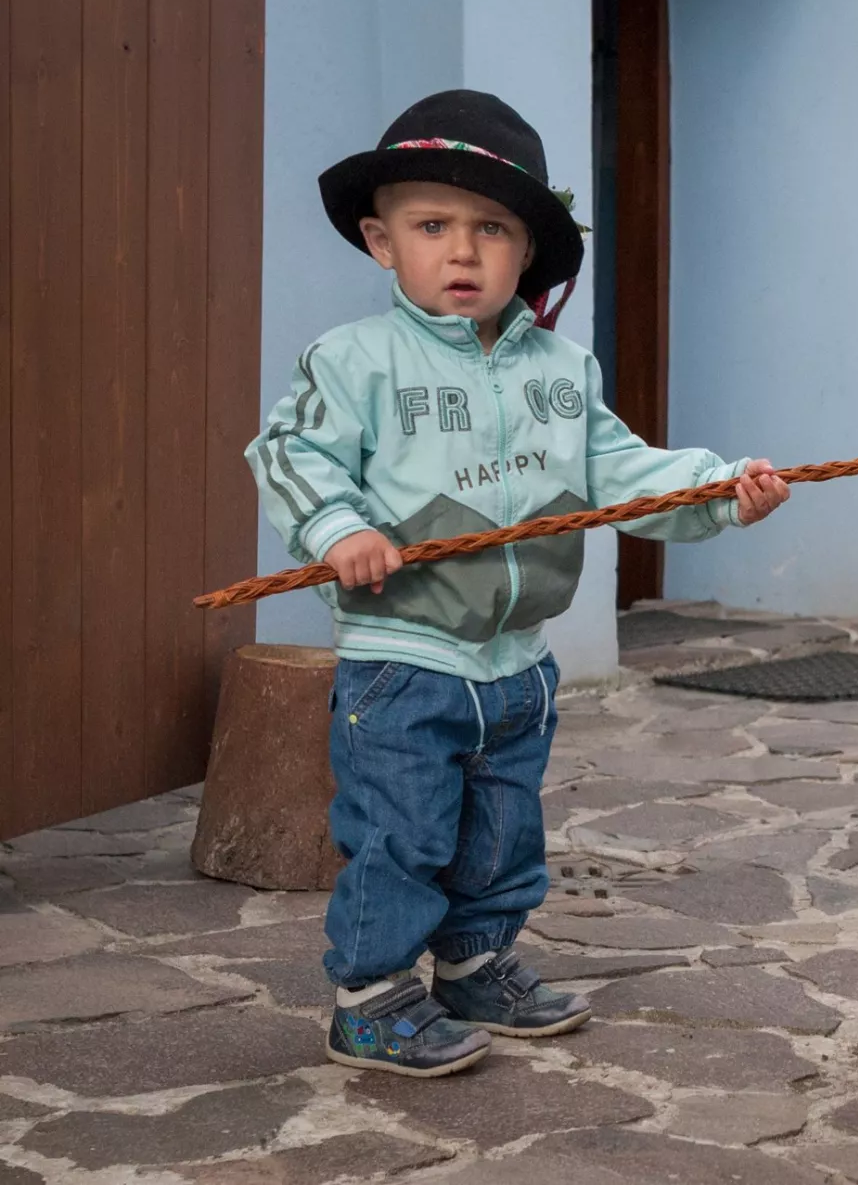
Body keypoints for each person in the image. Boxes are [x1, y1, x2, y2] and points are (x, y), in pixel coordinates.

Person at [247, 90, 789, 1077]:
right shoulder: (356, 360)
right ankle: (368, 998)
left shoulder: (560, 372)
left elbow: (624, 473)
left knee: (500, 834)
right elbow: (288, 453)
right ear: (381, 241)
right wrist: (341, 528)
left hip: (517, 664)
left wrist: (718, 487)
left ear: (527, 252)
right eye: (432, 225)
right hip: (403, 661)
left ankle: (474, 963)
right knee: (401, 835)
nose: (462, 251)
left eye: (492, 229)